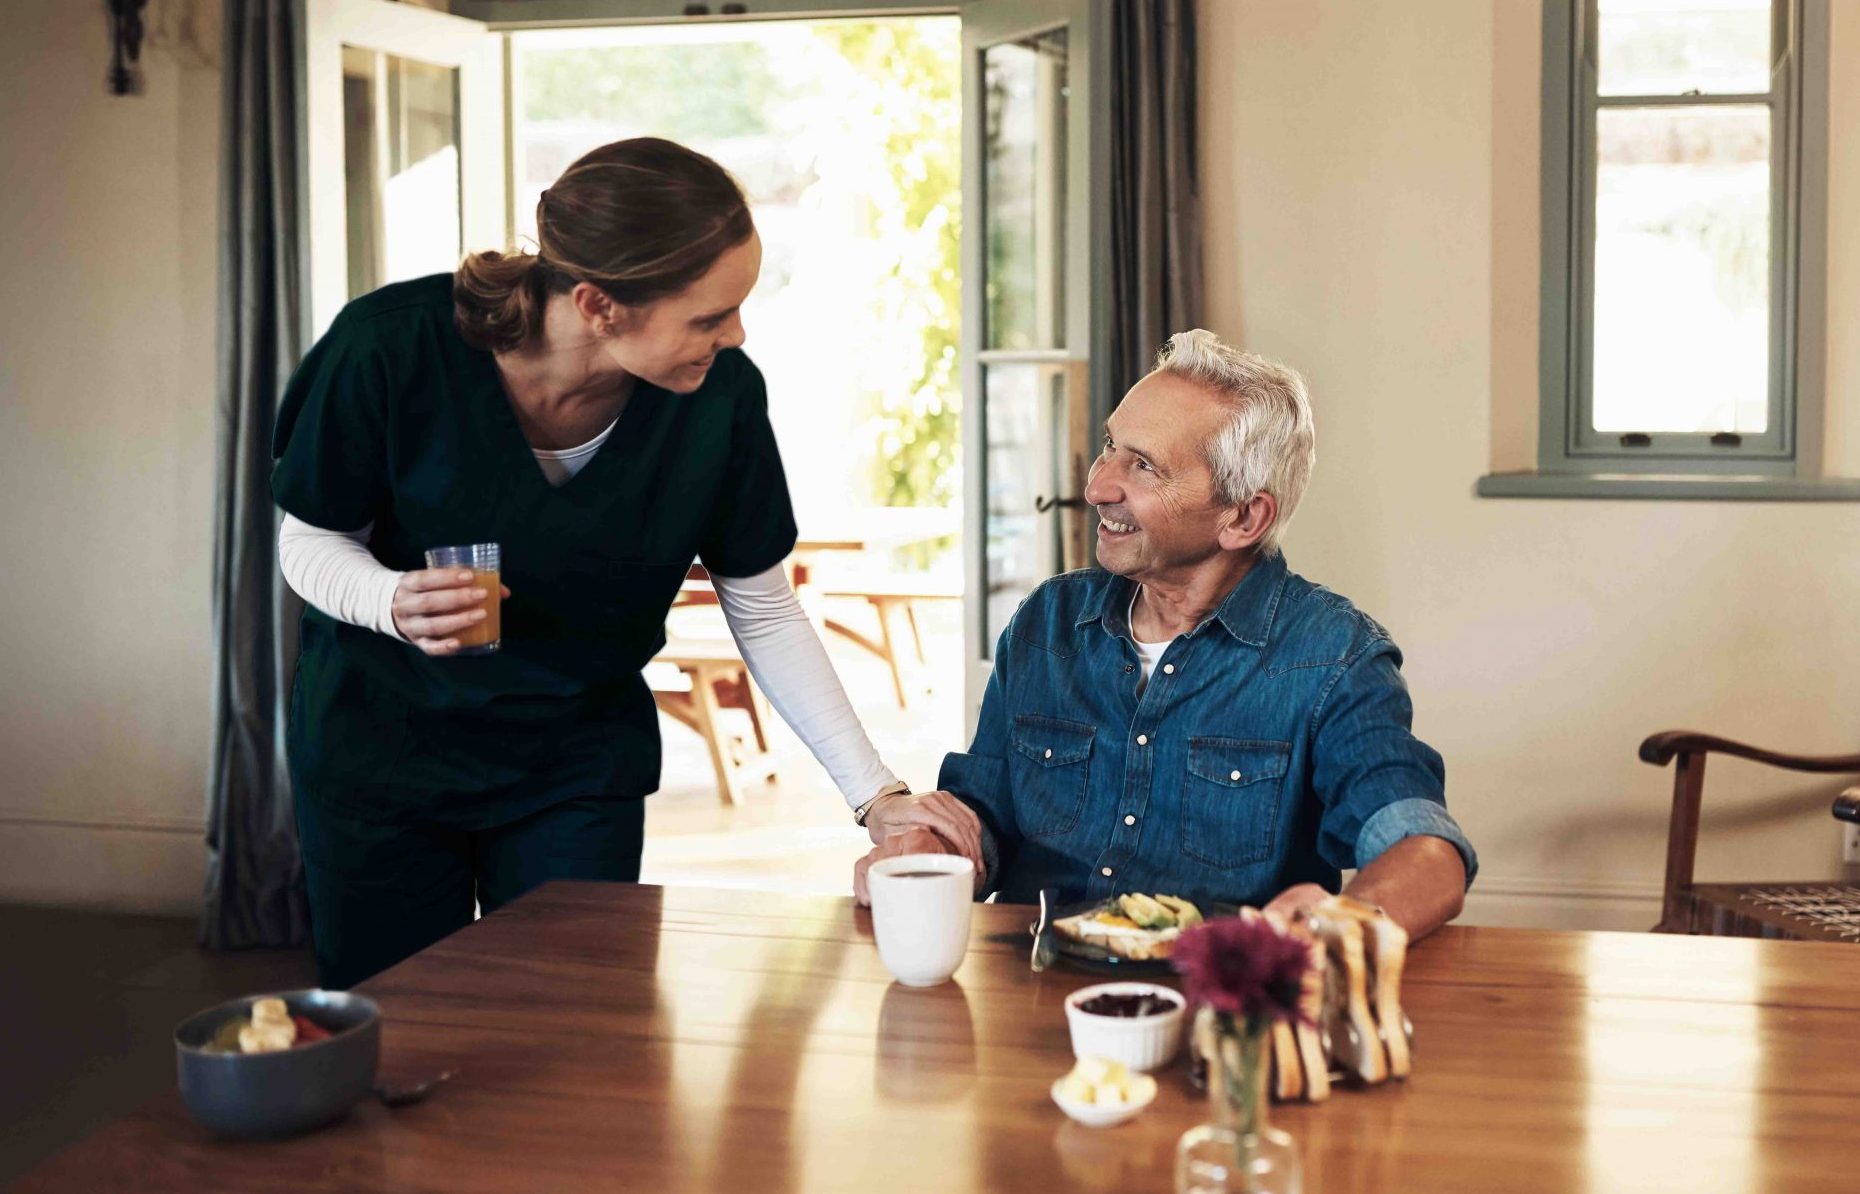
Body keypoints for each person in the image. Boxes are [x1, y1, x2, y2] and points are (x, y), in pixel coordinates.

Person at [274, 137, 979, 987]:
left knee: (573, 1029)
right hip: (382, 750)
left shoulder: (719, 398)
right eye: (710, 316)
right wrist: (386, 599)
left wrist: (876, 795)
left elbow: (761, 605)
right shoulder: (388, 350)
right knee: (395, 1030)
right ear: (599, 306)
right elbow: (308, 536)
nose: (737, 334)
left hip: (570, 762)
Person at [853, 331, 1474, 940]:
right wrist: (922, 848)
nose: (1097, 486)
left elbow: (1424, 850)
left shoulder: (1335, 657)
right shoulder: (1047, 623)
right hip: (1030, 989)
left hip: (1214, 1008)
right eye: (1110, 447)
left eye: (1143, 466)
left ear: (1242, 517)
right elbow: (982, 816)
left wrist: (1335, 926)